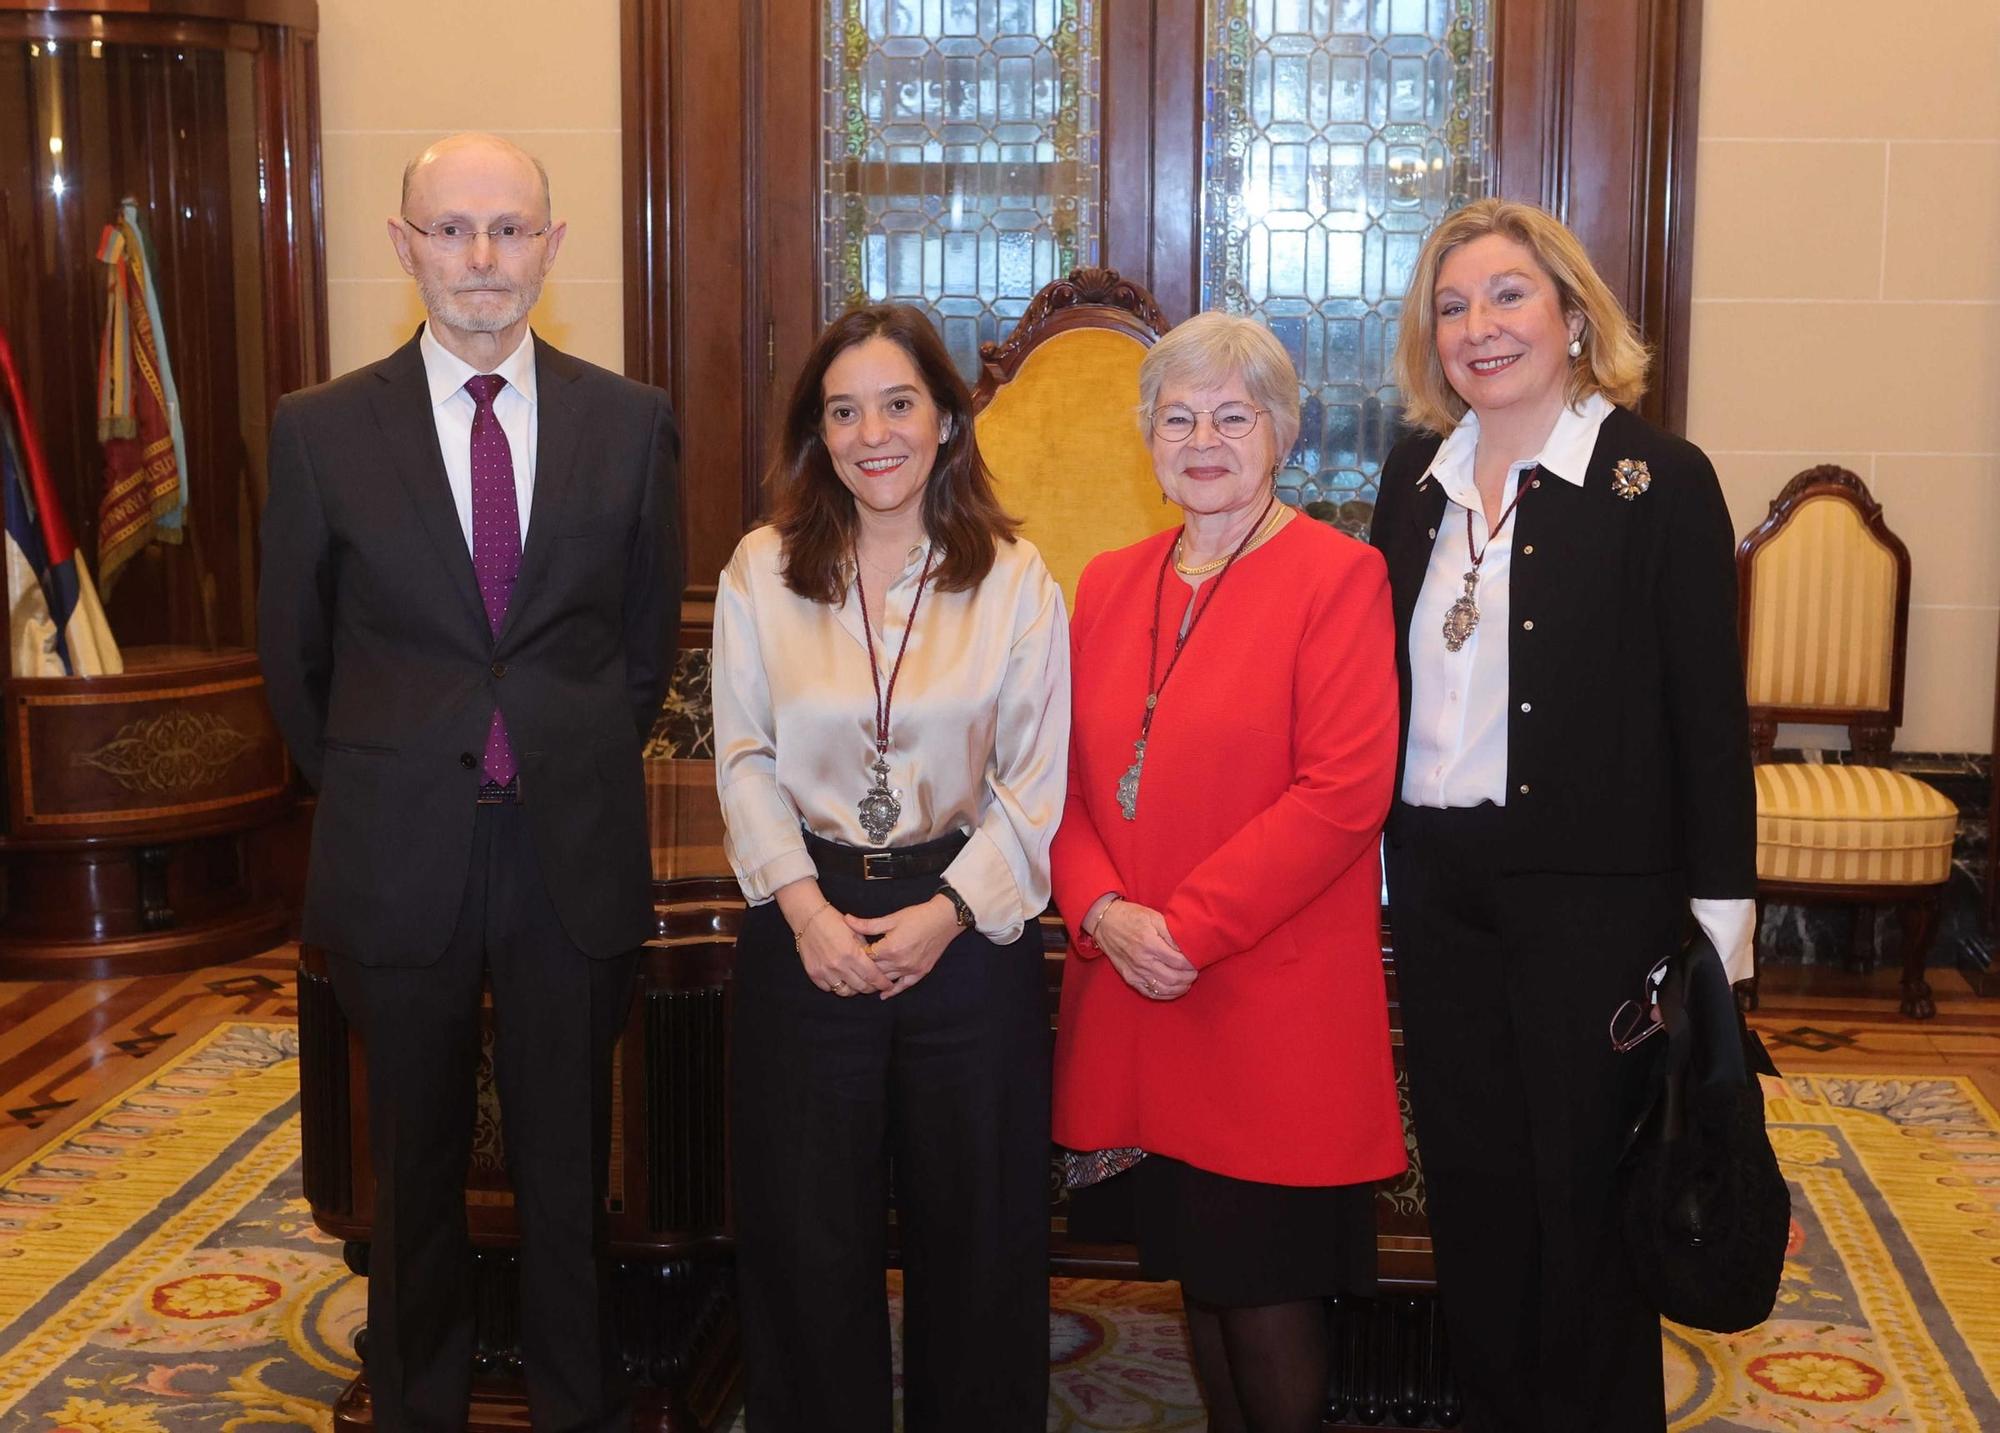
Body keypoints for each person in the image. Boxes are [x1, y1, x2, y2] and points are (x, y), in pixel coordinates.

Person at [258, 132, 682, 1432]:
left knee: (568, 1175)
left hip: (569, 849)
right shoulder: (321, 430)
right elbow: (295, 658)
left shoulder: (632, 420)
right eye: (453, 229)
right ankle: (420, 1407)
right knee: (411, 1175)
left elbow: (644, 641)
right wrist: (389, 784)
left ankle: (572, 1406)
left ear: (553, 247)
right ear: (405, 246)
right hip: (400, 854)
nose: (483, 258)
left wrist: (550, 759)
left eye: (509, 229)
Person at [1370, 197, 1755, 1432]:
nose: (1477, 328)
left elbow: (1707, 715)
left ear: (1572, 315)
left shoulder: (1656, 481)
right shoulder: (1410, 481)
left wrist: (1718, 933)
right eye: (1449, 305)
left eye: (1505, 296)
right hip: (1437, 891)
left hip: (1594, 904)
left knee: (1583, 1204)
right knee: (1475, 1201)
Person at [712, 303, 1068, 1432]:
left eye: (899, 403)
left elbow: (1033, 779)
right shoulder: (761, 571)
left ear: (949, 421)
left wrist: (947, 913)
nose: (873, 432)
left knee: (980, 1235)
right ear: (817, 435)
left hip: (964, 936)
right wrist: (807, 909)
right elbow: (742, 754)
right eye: (843, 409)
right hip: (803, 923)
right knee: (806, 1237)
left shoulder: (1012, 576)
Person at [1051, 312, 1405, 1433]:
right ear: (1147, 440)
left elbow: (1343, 789)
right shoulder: (1107, 582)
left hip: (1265, 994)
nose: (1203, 440)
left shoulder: (1338, 575)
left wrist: (1185, 929)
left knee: (1263, 1287)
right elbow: (1050, 777)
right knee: (1197, 1272)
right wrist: (1100, 909)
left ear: (1282, 432)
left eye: (1232, 416)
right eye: (1178, 417)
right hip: (1136, 989)